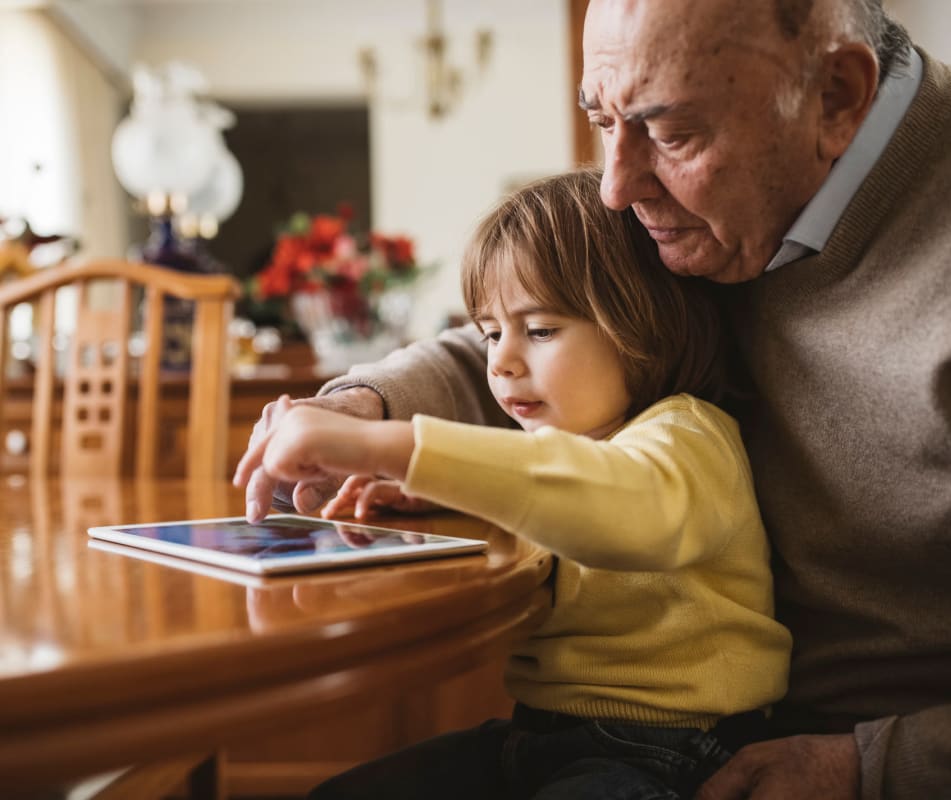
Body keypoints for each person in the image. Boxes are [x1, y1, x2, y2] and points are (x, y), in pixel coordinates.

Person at [241, 1, 951, 796]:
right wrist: (362, 407)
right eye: (603, 121)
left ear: (837, 97)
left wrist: (875, 767)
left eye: (672, 135)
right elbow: (541, 332)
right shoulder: (713, 201)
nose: (615, 188)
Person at [235, 169, 793, 799]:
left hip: (675, 751)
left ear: (643, 320)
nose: (500, 361)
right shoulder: (558, 445)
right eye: (492, 332)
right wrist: (439, 484)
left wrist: (384, 445)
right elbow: (543, 483)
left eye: (541, 330)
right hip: (539, 736)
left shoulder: (689, 436)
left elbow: (617, 506)